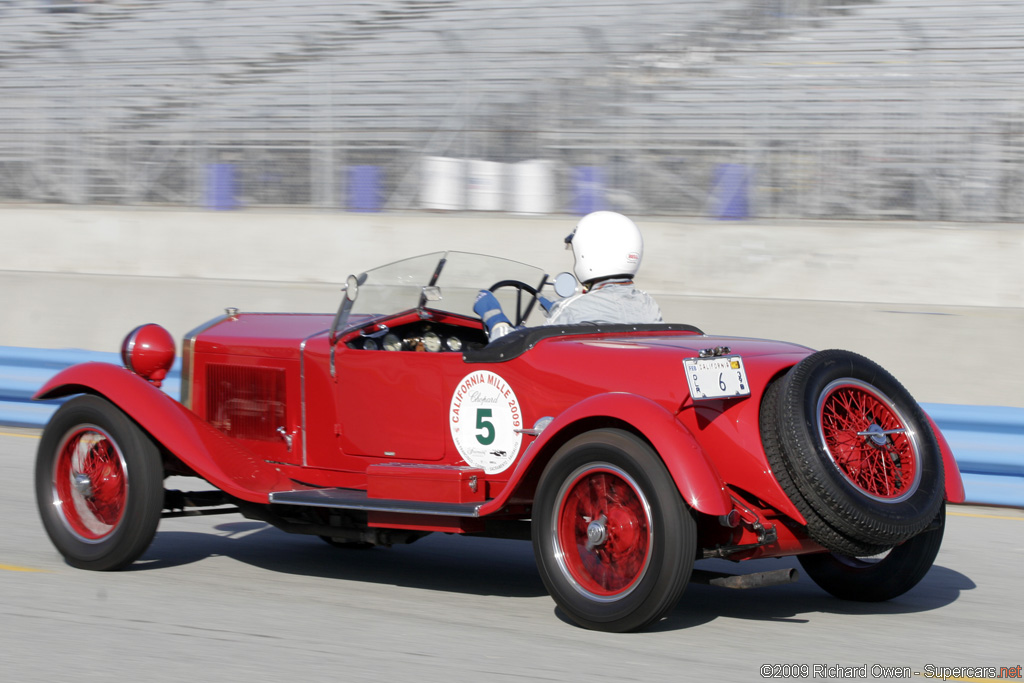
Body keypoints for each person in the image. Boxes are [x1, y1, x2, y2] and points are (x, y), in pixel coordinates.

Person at [473, 211, 663, 339]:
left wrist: (496, 319)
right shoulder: (649, 305)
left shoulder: (573, 309)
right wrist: (557, 307)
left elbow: (517, 350)